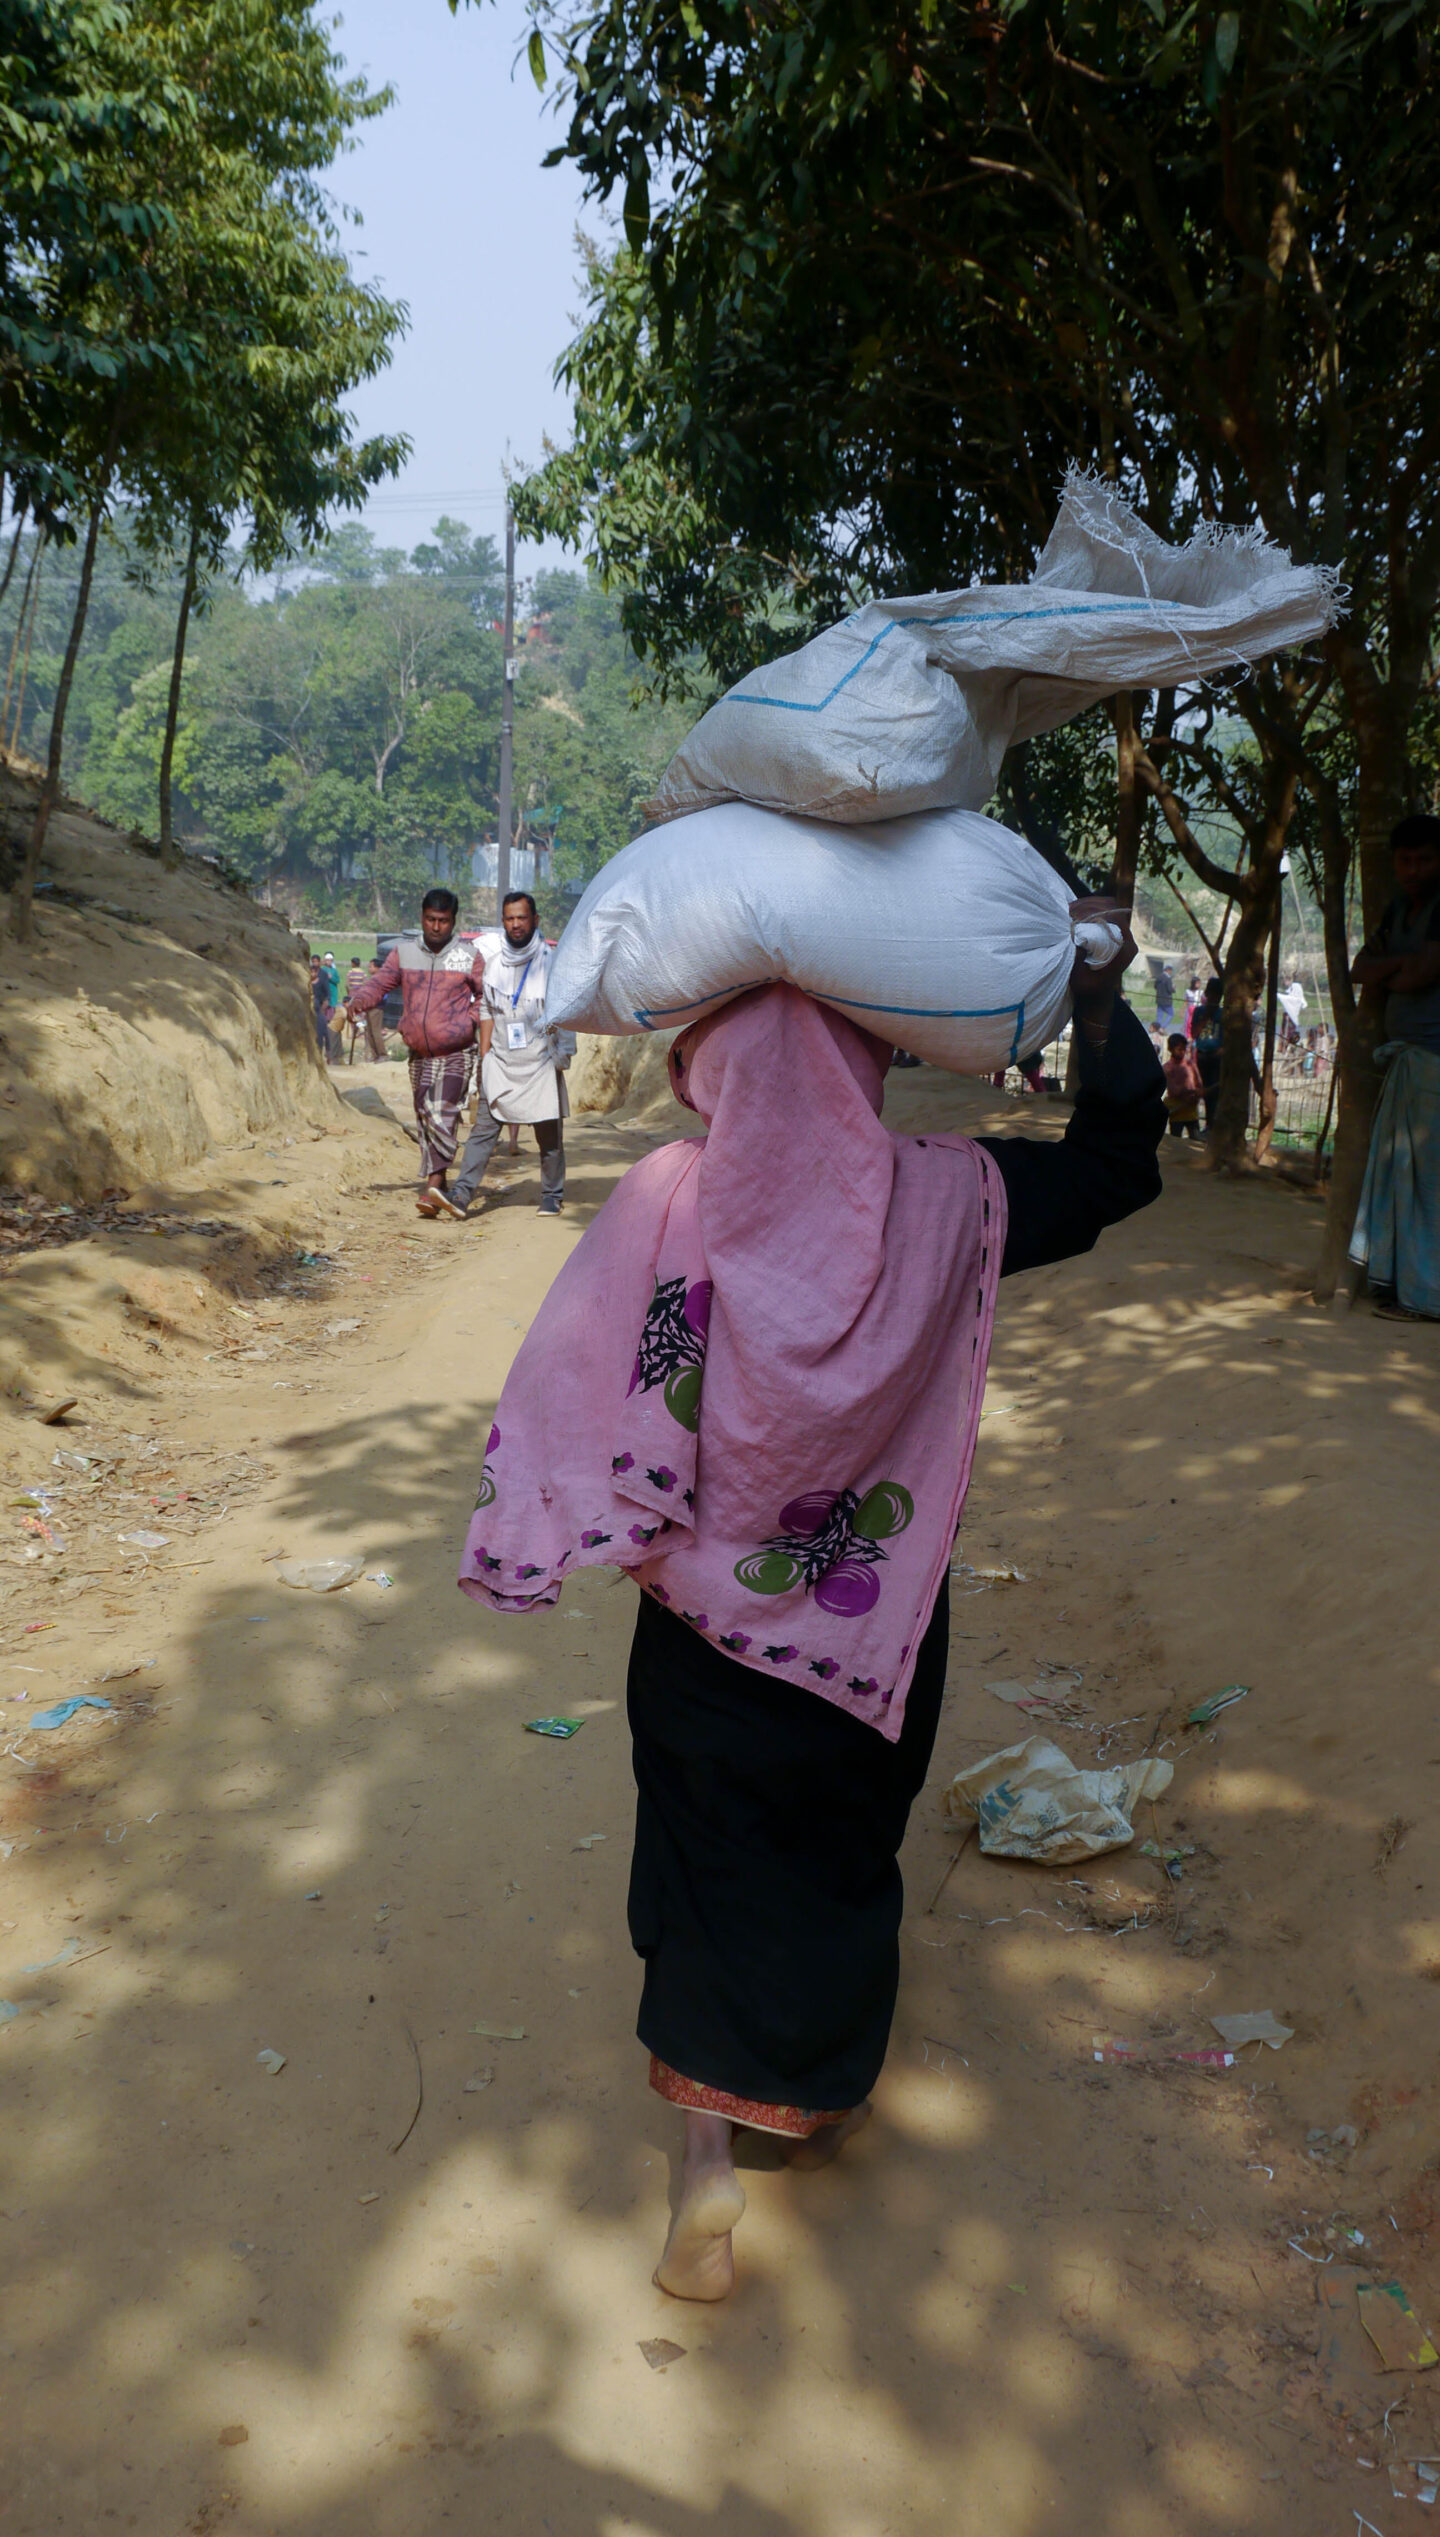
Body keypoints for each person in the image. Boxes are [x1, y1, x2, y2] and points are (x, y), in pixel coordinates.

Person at [458, 899, 1164, 2302]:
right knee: (840, 1853)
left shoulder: (668, 1197)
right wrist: (1096, 986)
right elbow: (1117, 1159)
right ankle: (813, 2094)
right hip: (864, 1627)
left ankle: (702, 2168)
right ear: (870, 1061)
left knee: (709, 1856)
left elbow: (581, 1377)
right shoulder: (953, 1198)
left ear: (704, 1066)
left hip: (702, 1638)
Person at [341, 889, 486, 1216]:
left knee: (441, 1109)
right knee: (425, 1116)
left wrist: (468, 1023)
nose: (436, 927)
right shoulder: (403, 954)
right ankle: (441, 1183)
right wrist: (359, 1000)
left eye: (443, 921)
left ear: (453, 921)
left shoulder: (469, 956)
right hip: (419, 1052)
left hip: (457, 1050)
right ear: (422, 918)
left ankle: (432, 1184)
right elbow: (379, 984)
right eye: (431, 920)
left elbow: (485, 998)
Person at [1349, 812, 1440, 1320]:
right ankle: (1406, 1287)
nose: (1413, 869)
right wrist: (1398, 970)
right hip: (1408, 1064)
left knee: (1429, 1187)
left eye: (1424, 859)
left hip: (1434, 1063)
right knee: (1404, 1181)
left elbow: (1419, 975)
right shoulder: (1398, 911)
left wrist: (1397, 972)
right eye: (1405, 860)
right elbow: (1362, 969)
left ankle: (1428, 1298)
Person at [443, 891, 575, 1219]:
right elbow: (487, 1007)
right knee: (484, 1132)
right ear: (503, 922)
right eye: (510, 918)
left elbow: (567, 1008)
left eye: (522, 918)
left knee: (549, 1136)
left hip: (541, 1062)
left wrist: (563, 1053)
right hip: (501, 1061)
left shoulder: (551, 963)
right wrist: (486, 1056)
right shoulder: (494, 965)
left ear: (535, 921)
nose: (516, 924)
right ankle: (461, 1194)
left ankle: (551, 1194)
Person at [1190, 975, 1225, 1129]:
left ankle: (1210, 1126)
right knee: (1197, 1090)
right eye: (1211, 995)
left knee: (1213, 1092)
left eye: (1217, 996)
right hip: (1201, 1055)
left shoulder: (1224, 1013)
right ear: (1206, 994)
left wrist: (1222, 1050)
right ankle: (1193, 1124)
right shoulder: (1199, 1011)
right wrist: (1206, 1016)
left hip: (1216, 1057)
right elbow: (1194, 1033)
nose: (1214, 998)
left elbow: (1228, 1036)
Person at [1162, 1032, 1204, 1143]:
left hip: (1191, 1109)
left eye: (1184, 1049)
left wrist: (1198, 1093)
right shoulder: (1167, 1068)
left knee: (1196, 1139)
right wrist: (1188, 1093)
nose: (1182, 1052)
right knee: (1175, 1140)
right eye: (1179, 1049)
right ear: (1171, 1049)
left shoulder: (1190, 1064)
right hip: (1176, 1109)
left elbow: (1199, 1083)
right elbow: (1173, 1090)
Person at [344, 954, 386, 1062]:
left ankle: (382, 1054)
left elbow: (383, 995)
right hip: (368, 1007)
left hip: (376, 1007)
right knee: (369, 1031)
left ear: (378, 968)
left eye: (371, 966)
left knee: (376, 1031)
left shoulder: (381, 980)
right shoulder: (372, 979)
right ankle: (375, 1054)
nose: (369, 968)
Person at [308, 954, 332, 1060]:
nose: (315, 964)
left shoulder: (323, 976)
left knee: (321, 1031)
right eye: (313, 961)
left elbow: (327, 991)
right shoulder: (307, 982)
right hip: (309, 1008)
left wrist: (325, 1003)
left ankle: (324, 1052)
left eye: (317, 961)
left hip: (318, 1007)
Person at [1280, 977, 1306, 1050]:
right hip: (1287, 1014)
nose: (1285, 983)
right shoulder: (1289, 992)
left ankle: (1289, 1044)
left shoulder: (1295, 989)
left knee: (1289, 1031)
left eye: (1286, 981)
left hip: (1291, 1015)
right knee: (1285, 1031)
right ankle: (1284, 1045)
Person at [1151, 959, 1175, 1036]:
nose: (1171, 972)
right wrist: (1173, 988)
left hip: (1159, 1000)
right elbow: (1169, 989)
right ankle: (1162, 1027)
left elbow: (1155, 986)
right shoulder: (1168, 978)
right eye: (1170, 970)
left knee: (1159, 1016)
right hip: (1167, 1001)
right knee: (1171, 1014)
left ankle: (1157, 1029)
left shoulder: (1159, 977)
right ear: (1168, 970)